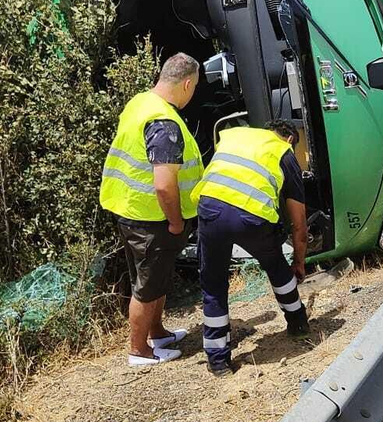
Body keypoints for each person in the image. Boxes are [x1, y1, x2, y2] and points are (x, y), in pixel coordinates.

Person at [101, 54, 203, 367]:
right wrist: (175, 221)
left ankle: (157, 333)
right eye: (194, 87)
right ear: (186, 84)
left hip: (131, 208)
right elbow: (163, 184)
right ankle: (139, 351)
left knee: (154, 279)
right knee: (146, 287)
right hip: (152, 217)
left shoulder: (141, 102)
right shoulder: (164, 123)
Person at [194, 120, 310, 376]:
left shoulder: (234, 136)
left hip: (210, 210)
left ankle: (218, 362)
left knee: (213, 286)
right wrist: (299, 262)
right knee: (277, 268)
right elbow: (299, 224)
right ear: (290, 139)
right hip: (251, 216)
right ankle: (299, 324)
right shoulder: (283, 153)